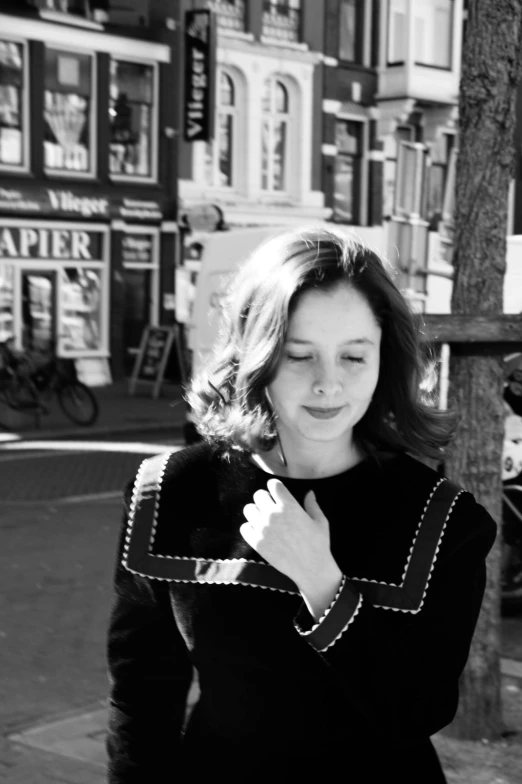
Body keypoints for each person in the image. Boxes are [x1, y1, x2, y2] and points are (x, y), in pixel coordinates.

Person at [106, 227, 497, 783]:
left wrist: (324, 587)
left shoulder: (442, 520)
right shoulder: (168, 491)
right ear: (256, 355)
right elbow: (141, 694)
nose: (328, 384)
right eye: (299, 355)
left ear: (386, 356)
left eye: (354, 357)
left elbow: (417, 711)